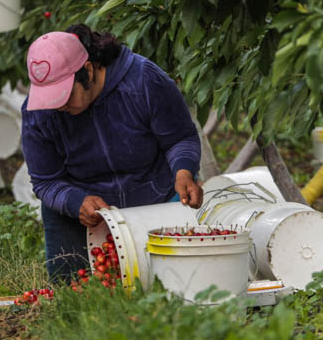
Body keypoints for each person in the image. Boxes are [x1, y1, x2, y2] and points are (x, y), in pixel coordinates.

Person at [21, 25, 204, 283]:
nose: (59, 105)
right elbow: (46, 180)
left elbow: (180, 137)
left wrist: (184, 171)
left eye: (65, 94)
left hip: (155, 201)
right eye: (51, 98)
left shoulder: (143, 81)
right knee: (74, 294)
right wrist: (75, 201)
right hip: (86, 217)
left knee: (172, 285)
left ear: (88, 70)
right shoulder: (38, 113)